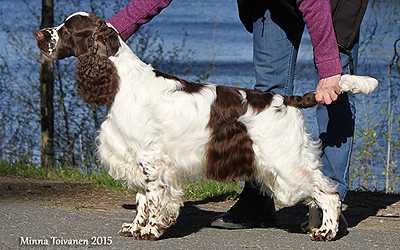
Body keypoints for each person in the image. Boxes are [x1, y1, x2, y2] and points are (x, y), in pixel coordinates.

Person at [108, 0, 357, 231]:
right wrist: (112, 30)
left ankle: (327, 198)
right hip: (272, 4)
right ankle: (258, 199)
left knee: (333, 90)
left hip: (332, 5)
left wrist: (329, 68)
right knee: (268, 96)